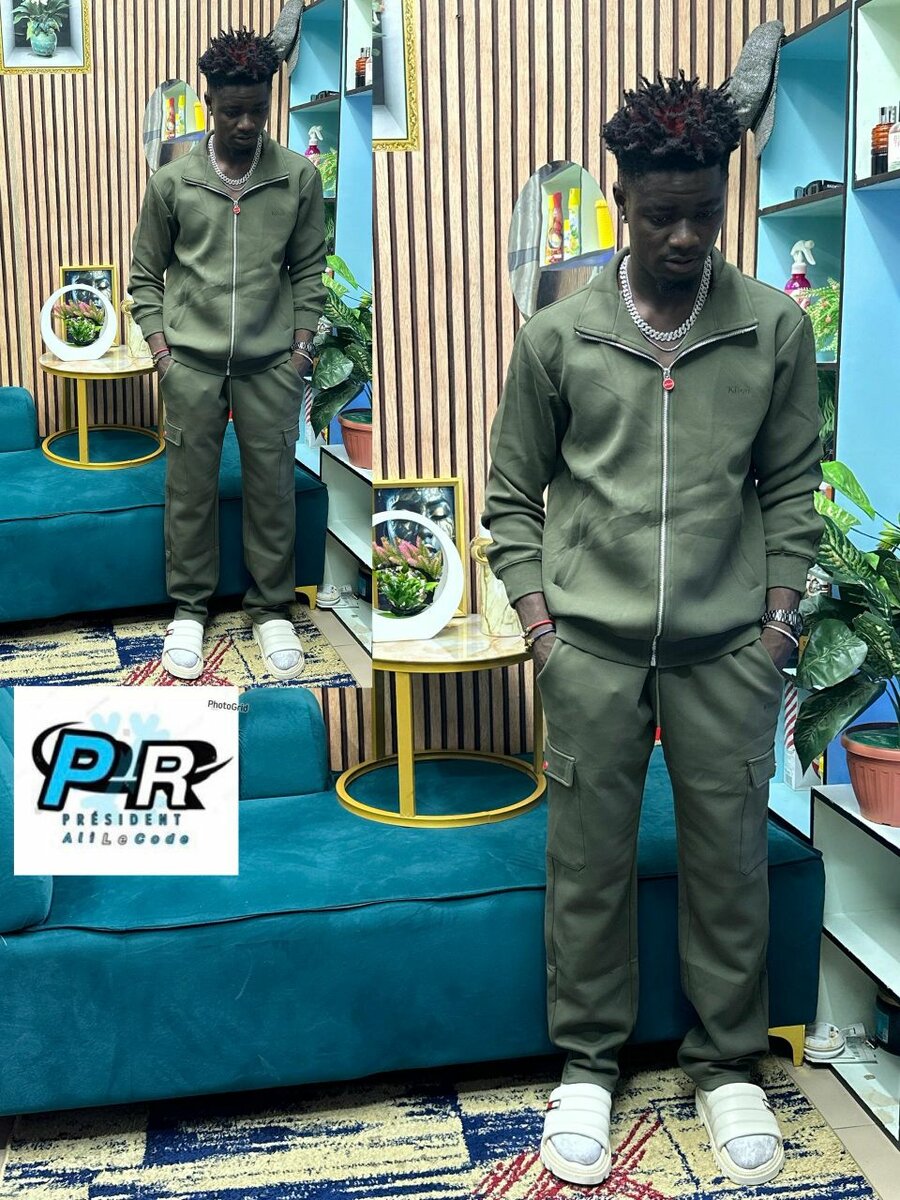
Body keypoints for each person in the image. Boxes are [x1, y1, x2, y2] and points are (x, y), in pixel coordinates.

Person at [483, 72, 824, 1189]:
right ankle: (588, 1065)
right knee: (588, 864)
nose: (684, 237)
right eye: (660, 214)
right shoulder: (559, 337)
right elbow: (510, 498)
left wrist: (778, 625)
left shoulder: (772, 328)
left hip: (729, 648)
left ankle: (726, 1066)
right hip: (591, 647)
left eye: (705, 214)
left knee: (730, 861)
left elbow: (793, 486)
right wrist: (541, 628)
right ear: (620, 200)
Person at [130, 28, 326, 681]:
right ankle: (189, 609)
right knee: (190, 491)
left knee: (273, 489)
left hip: (272, 364)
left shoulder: (296, 178)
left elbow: (309, 270)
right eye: (232, 110)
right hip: (191, 364)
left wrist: (300, 349)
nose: (246, 124)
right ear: (209, 102)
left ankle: (271, 610)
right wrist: (162, 353)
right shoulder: (173, 183)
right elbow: (144, 276)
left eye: (258, 110)